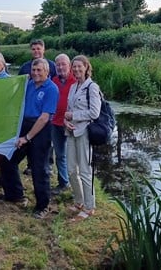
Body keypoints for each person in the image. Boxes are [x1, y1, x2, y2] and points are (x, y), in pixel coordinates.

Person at [0, 58, 59, 219]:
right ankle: (15, 195)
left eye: (39, 70)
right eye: (34, 70)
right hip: (24, 125)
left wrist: (27, 137)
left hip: (41, 129)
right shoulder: (28, 84)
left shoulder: (51, 89)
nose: (36, 73)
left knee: (39, 169)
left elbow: (44, 117)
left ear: (47, 71)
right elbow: (7, 89)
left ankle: (42, 206)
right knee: (7, 158)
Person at [64, 55, 101, 221]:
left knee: (85, 171)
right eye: (74, 67)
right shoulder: (73, 87)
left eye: (80, 66)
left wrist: (74, 116)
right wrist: (66, 120)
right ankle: (78, 201)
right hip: (71, 132)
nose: (77, 70)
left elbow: (95, 113)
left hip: (85, 132)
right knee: (71, 169)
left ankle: (89, 207)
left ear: (86, 67)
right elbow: (67, 110)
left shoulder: (92, 87)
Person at [18, 39, 56, 175]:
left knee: (45, 143)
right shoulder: (25, 67)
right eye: (33, 49)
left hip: (45, 110)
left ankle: (48, 165)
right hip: (29, 111)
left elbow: (55, 84)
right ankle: (30, 165)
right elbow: (19, 85)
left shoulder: (52, 65)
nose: (36, 51)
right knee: (28, 142)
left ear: (44, 49)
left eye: (38, 48)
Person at [50, 53, 76, 195]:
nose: (60, 67)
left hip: (72, 124)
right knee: (59, 154)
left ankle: (76, 186)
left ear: (69, 65)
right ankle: (63, 182)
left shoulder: (76, 81)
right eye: (58, 65)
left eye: (63, 64)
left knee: (73, 156)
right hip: (56, 123)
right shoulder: (53, 80)